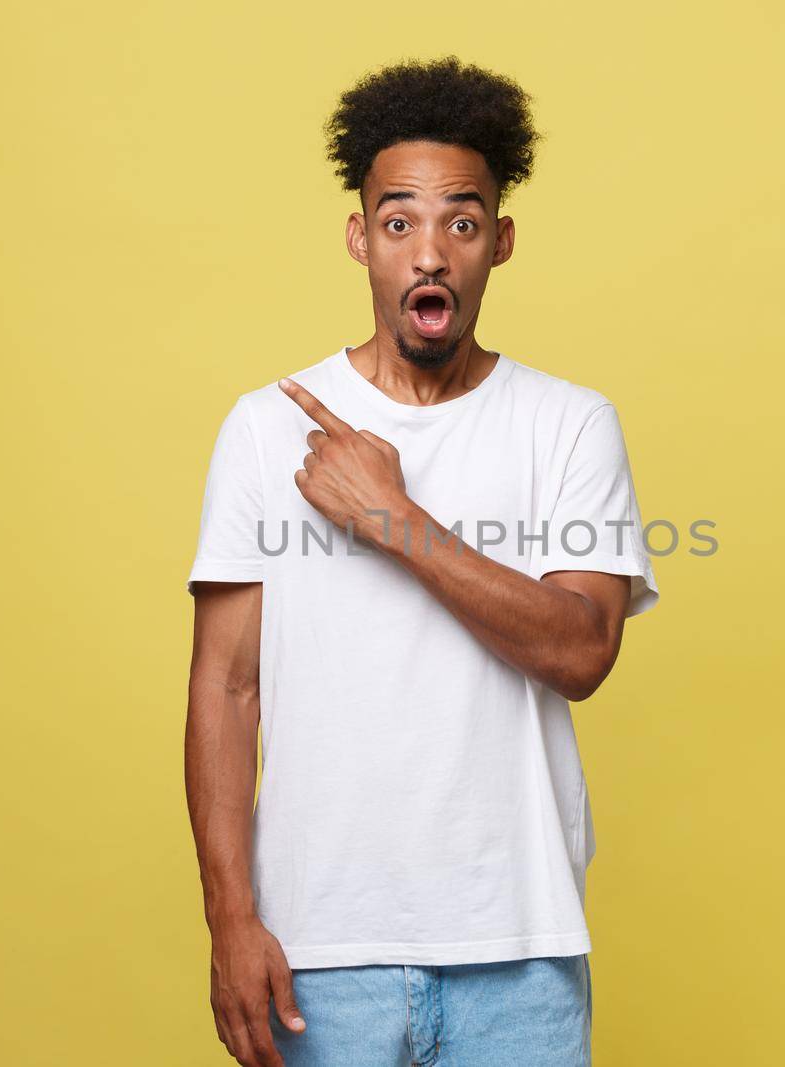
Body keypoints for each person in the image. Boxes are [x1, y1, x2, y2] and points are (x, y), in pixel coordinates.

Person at [184, 55, 660, 1067]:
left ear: (501, 241)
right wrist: (231, 917)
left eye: (462, 220)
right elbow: (225, 686)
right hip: (320, 949)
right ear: (361, 238)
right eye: (399, 222)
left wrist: (393, 517)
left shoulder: (568, 423)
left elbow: (581, 650)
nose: (429, 252)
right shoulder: (266, 428)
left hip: (518, 953)